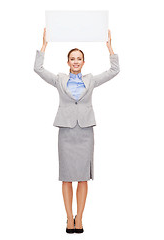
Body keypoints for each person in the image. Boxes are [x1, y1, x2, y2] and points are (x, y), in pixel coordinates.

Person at [34, 28, 120, 234]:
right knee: (66, 177)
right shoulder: (59, 79)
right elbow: (38, 68)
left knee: (82, 177)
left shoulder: (91, 80)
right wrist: (44, 46)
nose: (75, 61)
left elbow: (114, 71)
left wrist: (110, 49)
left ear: (83, 62)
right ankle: (68, 218)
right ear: (67, 62)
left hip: (85, 133)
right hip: (65, 133)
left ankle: (79, 218)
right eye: (72, 58)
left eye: (78, 58)